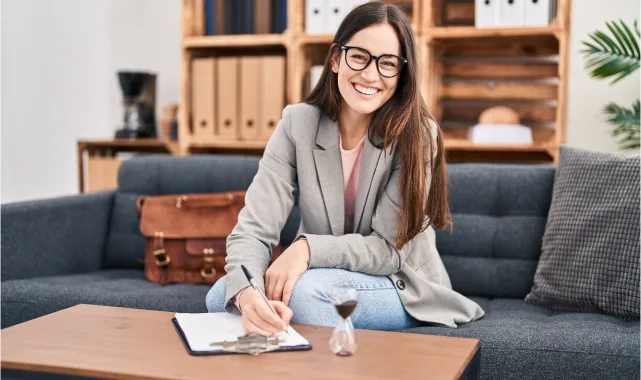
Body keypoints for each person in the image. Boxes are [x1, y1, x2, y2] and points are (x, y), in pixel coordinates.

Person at [206, 1, 485, 336]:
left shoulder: (418, 136)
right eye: (359, 56)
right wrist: (249, 292)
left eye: (387, 64)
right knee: (225, 293)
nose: (370, 74)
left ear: (402, 73)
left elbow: (387, 251)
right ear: (336, 58)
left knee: (308, 296)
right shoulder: (298, 123)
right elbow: (254, 226)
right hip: (319, 273)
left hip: (400, 285)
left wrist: (307, 249)